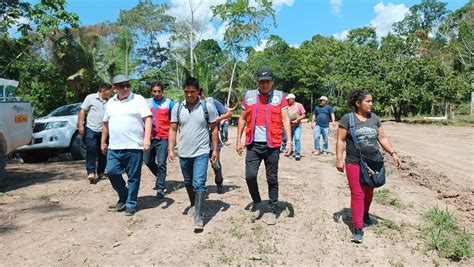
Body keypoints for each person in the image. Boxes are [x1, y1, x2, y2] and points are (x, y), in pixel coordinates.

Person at [336, 90, 401, 243]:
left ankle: (365, 214)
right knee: (358, 193)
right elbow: (340, 140)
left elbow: (382, 138)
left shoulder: (374, 118)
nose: (371, 104)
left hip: (373, 162)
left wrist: (393, 153)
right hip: (354, 161)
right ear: (358, 103)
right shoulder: (348, 119)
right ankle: (358, 229)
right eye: (368, 101)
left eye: (371, 101)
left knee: (369, 190)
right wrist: (339, 159)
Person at [236, 66, 292, 225]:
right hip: (253, 144)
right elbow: (241, 119)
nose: (265, 84)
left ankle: (272, 209)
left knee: (272, 178)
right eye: (261, 82)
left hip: (272, 145)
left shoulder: (280, 97)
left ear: (272, 81)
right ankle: (257, 201)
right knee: (250, 176)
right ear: (257, 82)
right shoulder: (249, 96)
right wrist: (238, 140)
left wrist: (289, 141)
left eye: (267, 81)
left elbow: (286, 120)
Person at [168, 77, 218, 232]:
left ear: (198, 91)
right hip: (183, 152)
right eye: (186, 92)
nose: (189, 95)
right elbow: (173, 129)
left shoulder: (206, 107)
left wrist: (215, 149)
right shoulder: (177, 108)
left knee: (199, 183)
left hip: (201, 152)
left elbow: (214, 128)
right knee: (188, 182)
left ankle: (199, 216)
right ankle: (193, 203)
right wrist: (171, 149)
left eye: (192, 92)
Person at [101, 75, 152, 216]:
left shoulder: (138, 99)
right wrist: (103, 141)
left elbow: (147, 119)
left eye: (127, 85)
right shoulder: (110, 103)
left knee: (133, 177)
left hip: (134, 146)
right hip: (114, 147)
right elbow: (105, 123)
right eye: (121, 86)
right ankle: (124, 195)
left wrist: (146, 138)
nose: (125, 88)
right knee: (111, 172)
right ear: (114, 88)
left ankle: (130, 204)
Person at [143, 81, 175, 199]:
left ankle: (160, 188)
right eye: (154, 91)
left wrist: (173, 139)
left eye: (159, 91)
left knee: (161, 162)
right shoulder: (146, 103)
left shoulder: (169, 104)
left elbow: (174, 122)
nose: (157, 93)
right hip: (149, 137)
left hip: (164, 137)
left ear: (163, 91)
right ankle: (160, 177)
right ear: (151, 91)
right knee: (147, 160)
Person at [78, 83, 113, 184]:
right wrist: (80, 125)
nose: (110, 94)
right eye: (109, 92)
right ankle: (91, 172)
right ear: (103, 90)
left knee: (103, 151)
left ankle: (101, 171)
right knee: (91, 149)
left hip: (105, 130)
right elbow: (82, 111)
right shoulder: (90, 97)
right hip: (91, 128)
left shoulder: (110, 102)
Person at [200, 89, 233, 194]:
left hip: (213, 138)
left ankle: (219, 182)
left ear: (201, 94)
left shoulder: (212, 102)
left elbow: (228, 113)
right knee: (200, 165)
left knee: (215, 164)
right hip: (199, 140)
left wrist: (218, 119)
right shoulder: (190, 106)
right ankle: (200, 188)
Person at [281, 93, 306, 160]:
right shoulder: (286, 106)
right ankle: (290, 152)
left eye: (288, 99)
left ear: (292, 99)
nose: (287, 101)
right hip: (289, 126)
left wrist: (298, 120)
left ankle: (297, 153)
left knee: (297, 138)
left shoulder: (299, 105)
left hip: (297, 125)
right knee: (289, 139)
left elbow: (304, 115)